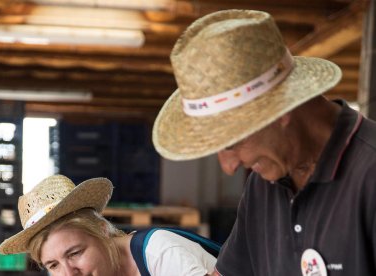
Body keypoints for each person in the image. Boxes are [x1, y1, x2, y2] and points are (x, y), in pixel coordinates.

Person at [152, 9, 376, 276]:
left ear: (279, 109)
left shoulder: (369, 173)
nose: (229, 167)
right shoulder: (264, 185)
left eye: (231, 143)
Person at [0, 175, 217, 276]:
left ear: (102, 230)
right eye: (53, 265)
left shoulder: (158, 253)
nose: (69, 273)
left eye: (75, 253)